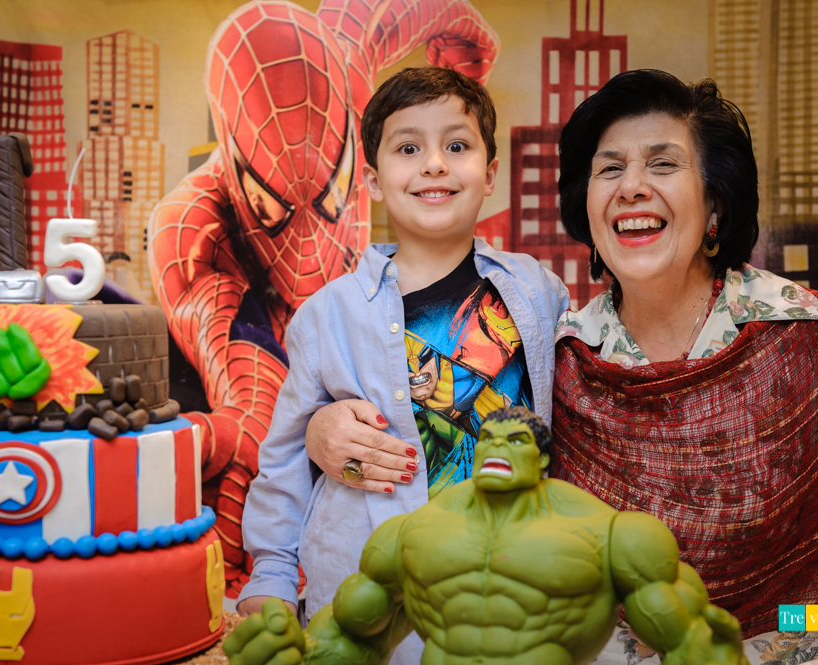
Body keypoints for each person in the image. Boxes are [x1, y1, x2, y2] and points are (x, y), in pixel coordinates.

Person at [303, 70, 818, 656]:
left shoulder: (814, 341)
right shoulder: (561, 356)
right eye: (610, 168)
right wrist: (322, 430)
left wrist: (769, 636)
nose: (632, 187)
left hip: (797, 633)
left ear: (714, 200)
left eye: (663, 164)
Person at [235, 66, 570, 665]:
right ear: (374, 181)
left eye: (457, 146)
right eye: (409, 147)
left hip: (515, 595)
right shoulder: (326, 316)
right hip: (368, 603)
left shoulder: (540, 291)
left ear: (490, 175)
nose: (434, 164)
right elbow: (283, 460)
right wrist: (271, 580)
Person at [225, 408, 747, 665]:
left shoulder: (609, 532)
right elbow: (356, 636)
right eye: (489, 439)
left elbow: (687, 642)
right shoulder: (414, 532)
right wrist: (295, 653)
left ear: (540, 458)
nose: (497, 447)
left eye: (514, 440)